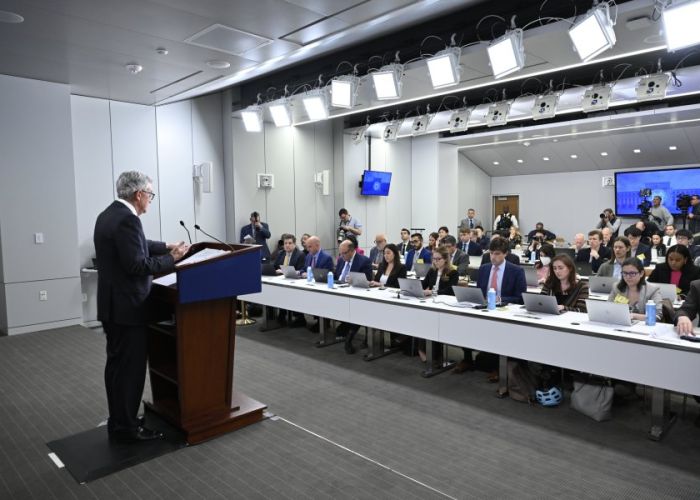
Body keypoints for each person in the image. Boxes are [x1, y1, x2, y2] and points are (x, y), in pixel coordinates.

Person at [94, 171, 189, 442]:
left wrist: (165, 246)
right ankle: (127, 428)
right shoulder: (128, 220)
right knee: (131, 370)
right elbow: (137, 265)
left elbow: (138, 246)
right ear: (139, 195)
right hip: (129, 310)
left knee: (116, 367)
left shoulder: (108, 215)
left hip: (112, 308)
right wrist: (172, 259)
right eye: (150, 195)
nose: (150, 200)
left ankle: (119, 420)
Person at [455, 238, 526, 377]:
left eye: (497, 253)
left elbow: (520, 297)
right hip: (484, 307)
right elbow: (479, 291)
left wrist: (500, 299)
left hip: (504, 310)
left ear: (505, 254)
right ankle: (467, 358)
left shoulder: (516, 271)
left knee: (498, 332)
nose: (493, 257)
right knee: (465, 323)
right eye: (491, 253)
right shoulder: (484, 268)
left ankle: (499, 367)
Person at [418, 245, 459, 362]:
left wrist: (432, 292)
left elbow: (450, 290)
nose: (435, 261)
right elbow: (424, 283)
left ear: (445, 259)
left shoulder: (452, 272)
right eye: (434, 259)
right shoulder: (432, 271)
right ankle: (423, 349)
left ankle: (431, 352)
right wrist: (415, 288)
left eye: (438, 259)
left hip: (445, 305)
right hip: (431, 303)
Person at [336, 239, 373, 354]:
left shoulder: (364, 261)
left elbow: (367, 280)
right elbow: (337, 275)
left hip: (357, 295)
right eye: (340, 253)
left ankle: (349, 336)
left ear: (352, 251)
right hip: (339, 291)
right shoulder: (341, 260)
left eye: (344, 253)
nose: (342, 256)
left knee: (357, 310)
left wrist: (353, 281)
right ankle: (344, 328)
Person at [608, 258, 663, 323]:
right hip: (619, 325)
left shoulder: (653, 290)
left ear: (641, 273)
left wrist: (634, 316)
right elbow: (608, 309)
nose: (628, 277)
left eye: (632, 273)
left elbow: (657, 316)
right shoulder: (617, 287)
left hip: (643, 328)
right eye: (625, 273)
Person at [274, 234, 307, 327]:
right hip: (282, 280)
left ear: (294, 244)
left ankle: (299, 318)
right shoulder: (281, 253)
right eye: (285, 243)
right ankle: (282, 314)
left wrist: (285, 271)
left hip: (296, 282)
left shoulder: (300, 254)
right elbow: (275, 266)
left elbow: (301, 270)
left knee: (289, 292)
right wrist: (277, 270)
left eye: (290, 243)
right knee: (277, 291)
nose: (287, 245)